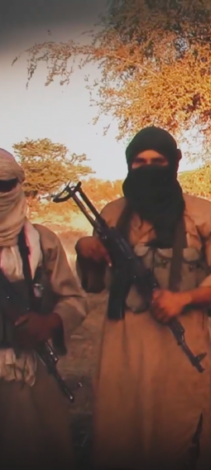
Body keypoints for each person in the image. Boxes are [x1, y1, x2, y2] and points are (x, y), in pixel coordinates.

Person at [75, 127, 211, 470]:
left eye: (158, 161)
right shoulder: (112, 214)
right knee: (121, 439)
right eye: (139, 162)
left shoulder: (203, 215)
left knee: (180, 438)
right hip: (122, 353)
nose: (148, 168)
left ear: (175, 163)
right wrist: (86, 252)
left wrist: (183, 299)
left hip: (181, 353)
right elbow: (95, 285)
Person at [0, 148, 87, 470]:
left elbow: (75, 300)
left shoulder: (43, 242)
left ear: (18, 185)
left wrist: (50, 322)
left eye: (4, 185)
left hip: (36, 376)